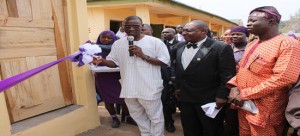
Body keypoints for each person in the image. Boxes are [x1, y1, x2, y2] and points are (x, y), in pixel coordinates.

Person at [227, 6, 300, 136]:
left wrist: (245, 93)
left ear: (271, 22)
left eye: (253, 20)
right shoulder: (252, 44)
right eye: (248, 20)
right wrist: (234, 86)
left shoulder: (288, 44)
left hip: (266, 107)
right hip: (244, 104)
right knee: (244, 132)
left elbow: (284, 78)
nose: (248, 24)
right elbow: (242, 69)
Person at [93, 16, 170, 136]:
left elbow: (165, 62)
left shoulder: (155, 42)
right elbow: (113, 62)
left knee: (155, 117)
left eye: (136, 26)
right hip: (129, 87)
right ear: (123, 27)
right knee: (137, 115)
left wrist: (143, 55)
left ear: (142, 26)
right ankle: (145, 133)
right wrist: (101, 61)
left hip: (149, 87)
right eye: (128, 26)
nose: (131, 29)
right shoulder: (118, 43)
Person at [175, 20, 236, 136]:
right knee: (189, 129)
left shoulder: (220, 47)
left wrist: (222, 95)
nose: (184, 33)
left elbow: (228, 75)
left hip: (209, 100)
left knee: (212, 130)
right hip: (186, 99)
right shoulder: (180, 46)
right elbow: (179, 70)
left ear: (203, 31)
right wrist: (178, 88)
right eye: (183, 30)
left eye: (188, 30)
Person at [94, 30, 136, 128]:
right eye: (103, 37)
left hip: (117, 77)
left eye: (109, 38)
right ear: (99, 38)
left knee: (124, 98)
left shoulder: (118, 48)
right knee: (108, 100)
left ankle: (128, 117)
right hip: (102, 78)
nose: (106, 39)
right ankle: (114, 118)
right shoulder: (93, 49)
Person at [224, 26, 249, 136]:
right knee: (230, 118)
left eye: (238, 34)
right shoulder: (225, 48)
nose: (234, 36)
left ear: (246, 35)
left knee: (245, 117)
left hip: (245, 88)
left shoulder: (251, 49)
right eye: (233, 34)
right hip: (226, 87)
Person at [160, 27, 184, 132]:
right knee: (165, 101)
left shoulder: (180, 44)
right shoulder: (160, 43)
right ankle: (169, 123)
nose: (164, 34)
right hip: (163, 77)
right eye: (163, 32)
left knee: (181, 101)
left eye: (167, 32)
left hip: (178, 77)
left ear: (174, 34)